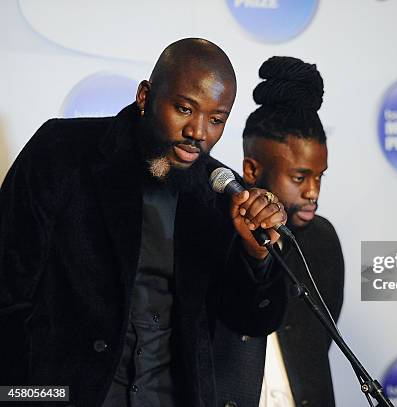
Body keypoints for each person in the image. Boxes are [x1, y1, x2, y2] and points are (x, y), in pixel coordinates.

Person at [0, 38, 290, 407]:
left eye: (216, 120)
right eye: (185, 108)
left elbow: (251, 322)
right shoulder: (61, 153)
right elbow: (8, 292)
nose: (199, 132)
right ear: (145, 96)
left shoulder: (223, 195)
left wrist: (257, 257)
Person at [213, 56, 344, 407]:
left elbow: (316, 347)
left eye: (320, 177)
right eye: (300, 178)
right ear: (251, 169)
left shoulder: (323, 240)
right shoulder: (215, 232)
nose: (313, 191)